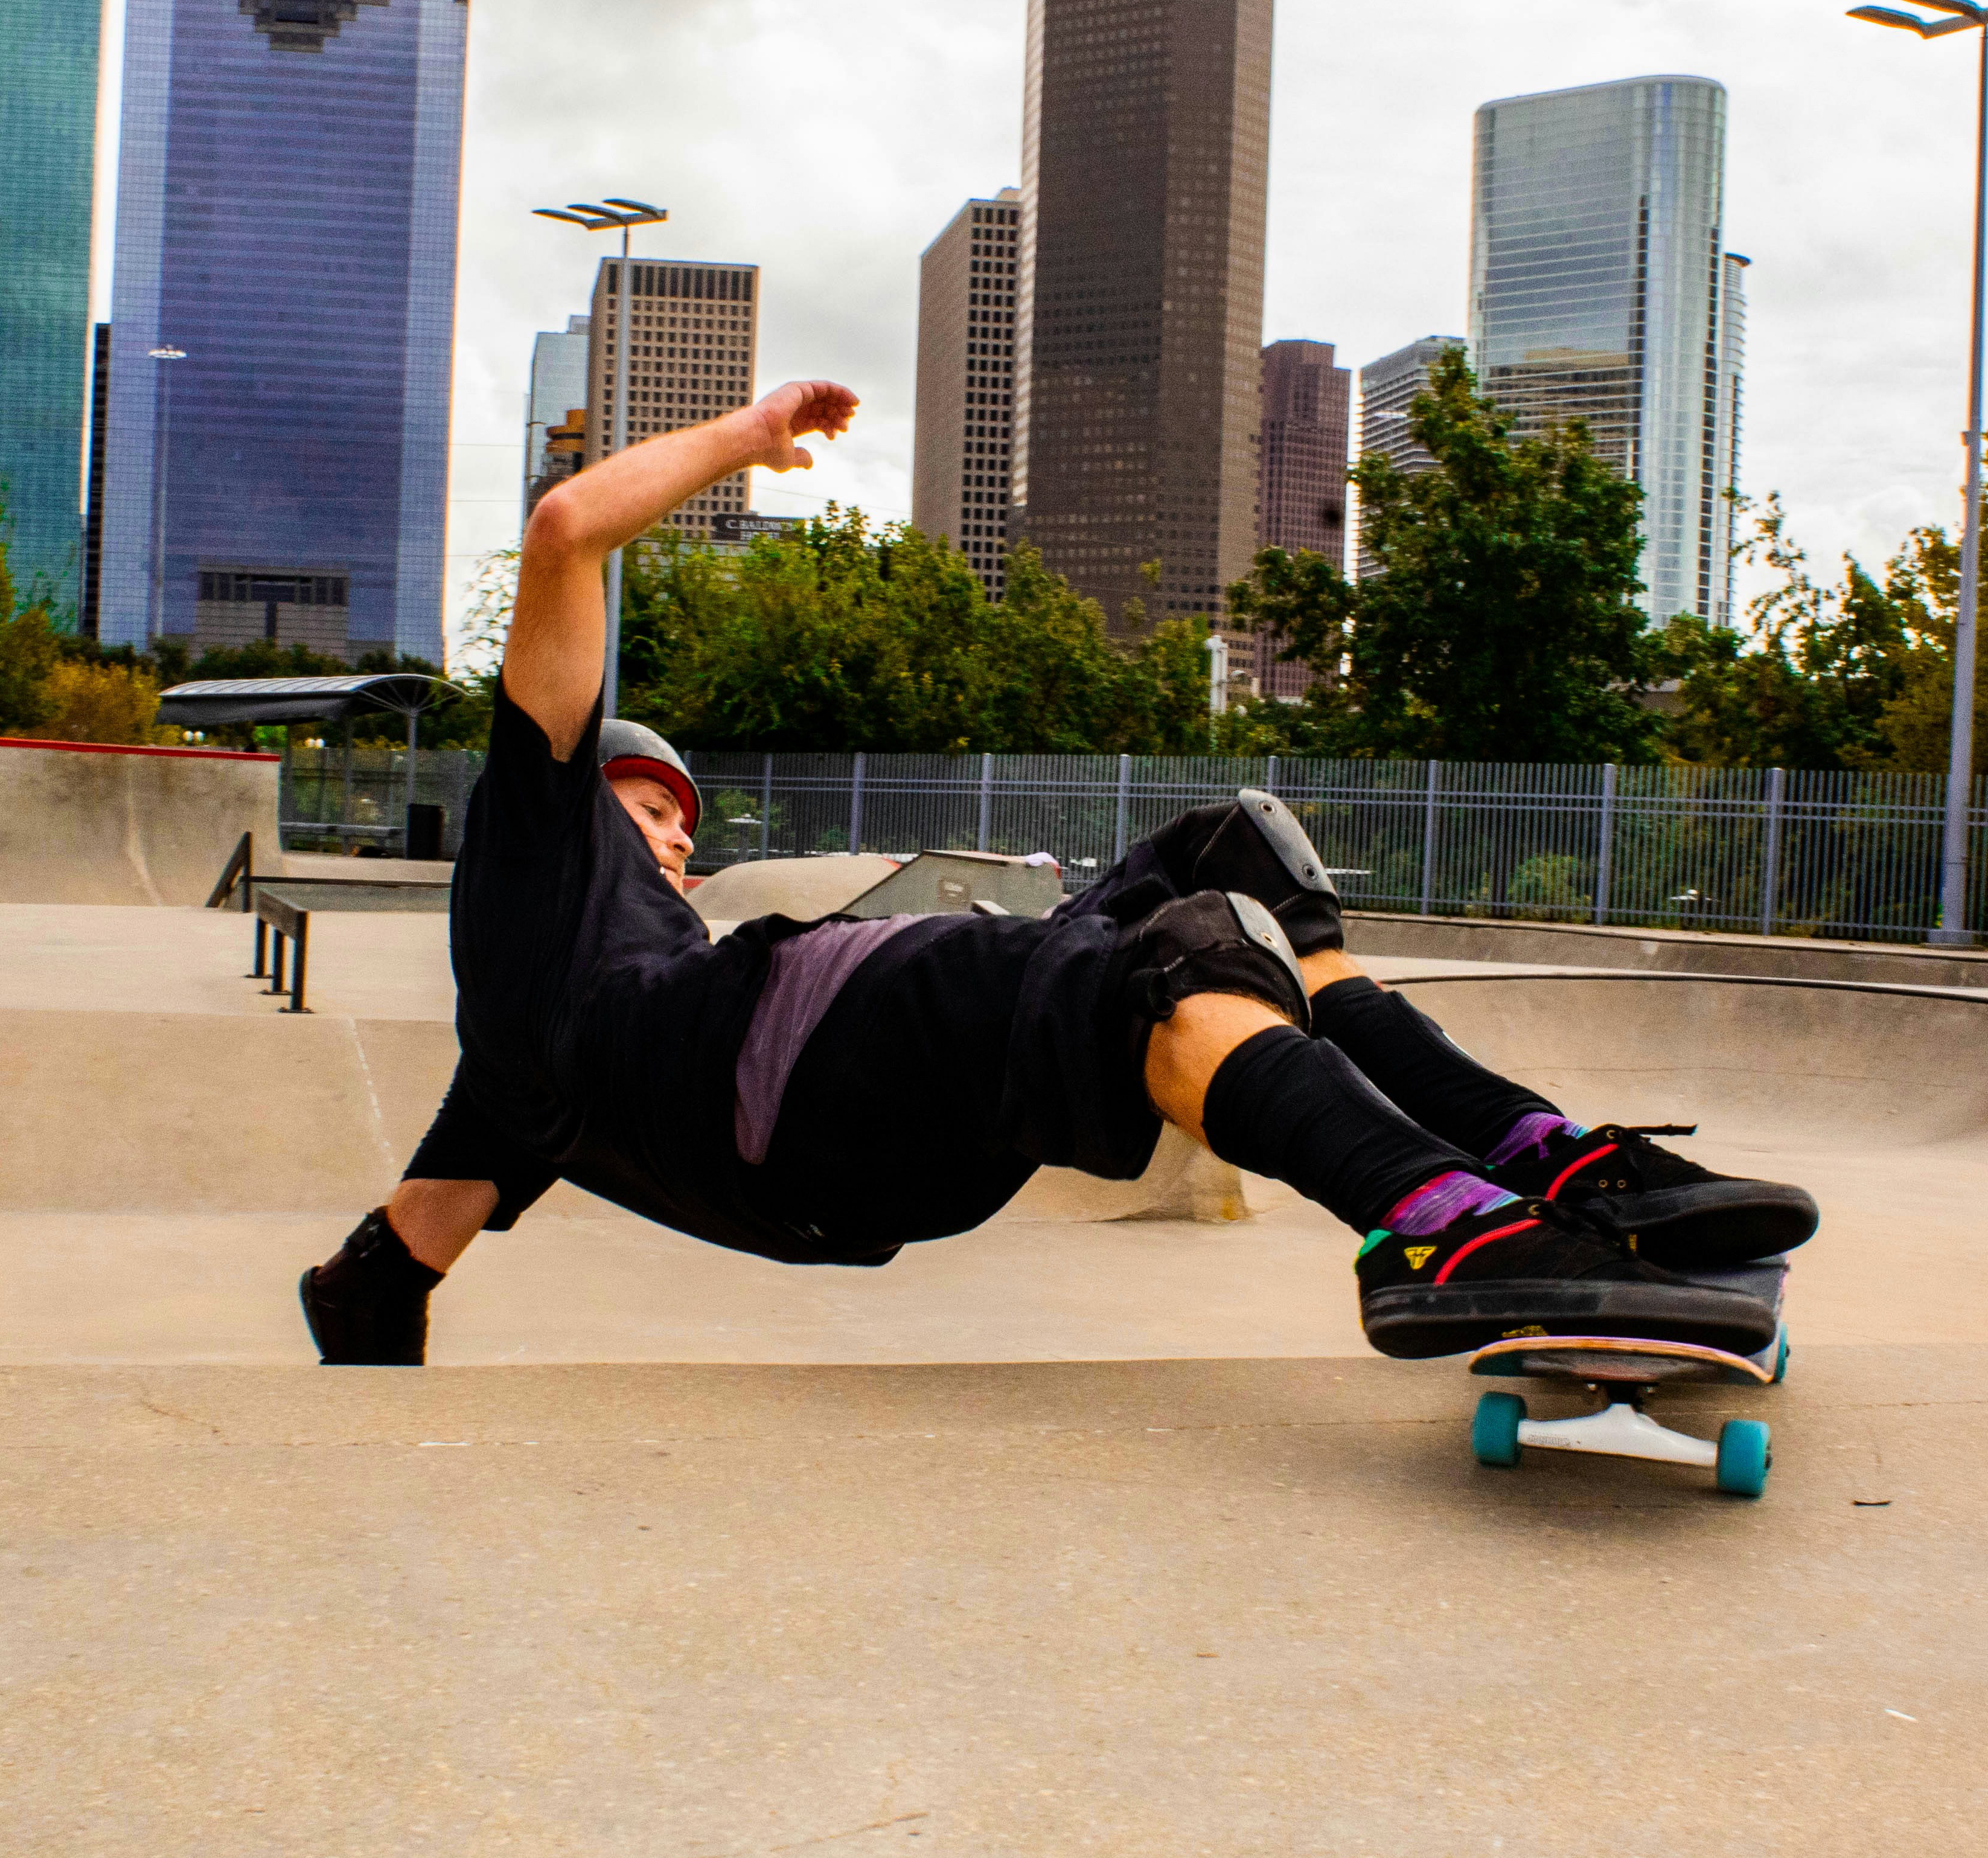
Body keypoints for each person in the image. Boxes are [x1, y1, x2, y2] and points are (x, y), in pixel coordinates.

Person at [299, 381, 1815, 1368]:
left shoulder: (516, 1071)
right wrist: (748, 441)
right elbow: (566, 532)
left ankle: (1540, 1160)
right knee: (1174, 958)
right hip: (804, 1076)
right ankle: (1439, 1224)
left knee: (1236, 850)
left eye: (689, 818)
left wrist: (368, 1314)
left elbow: (402, 1249)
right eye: (645, 802)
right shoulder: (527, 868)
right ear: (563, 798)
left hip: (866, 1139)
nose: (676, 833)